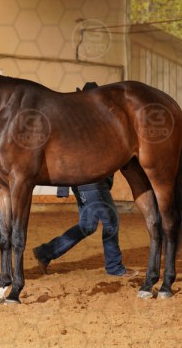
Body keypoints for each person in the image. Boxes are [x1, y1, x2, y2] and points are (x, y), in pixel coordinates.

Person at [33, 82, 138, 278]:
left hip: (86, 181)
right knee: (111, 221)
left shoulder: (84, 121)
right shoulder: (91, 123)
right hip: (90, 180)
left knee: (88, 225)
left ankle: (46, 252)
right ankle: (114, 267)